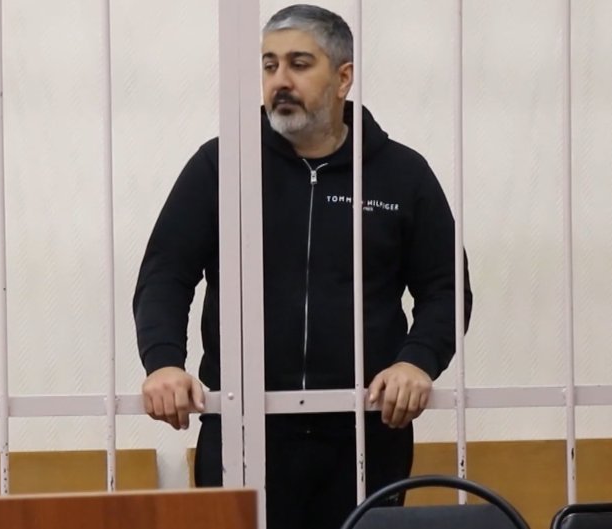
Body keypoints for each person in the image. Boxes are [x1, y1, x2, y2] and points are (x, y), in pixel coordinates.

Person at [133, 4, 473, 529]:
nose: (280, 81)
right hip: (243, 426)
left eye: (298, 63)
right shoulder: (222, 165)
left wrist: (417, 362)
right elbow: (165, 275)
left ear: (343, 78)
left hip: (366, 430)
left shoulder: (401, 173)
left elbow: (446, 287)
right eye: (269, 65)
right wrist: (163, 362)